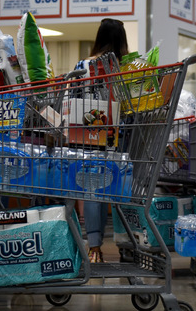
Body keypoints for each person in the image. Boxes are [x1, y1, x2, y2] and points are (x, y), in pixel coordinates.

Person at [74, 18, 129, 264]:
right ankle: (128, 241)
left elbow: (70, 99)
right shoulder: (128, 68)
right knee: (125, 188)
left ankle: (94, 247)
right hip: (122, 138)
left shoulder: (82, 65)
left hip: (89, 136)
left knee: (92, 188)